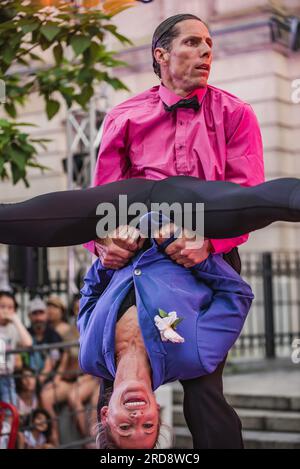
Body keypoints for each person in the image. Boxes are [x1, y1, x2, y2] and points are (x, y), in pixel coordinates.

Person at [87, 13, 264, 448]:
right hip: (136, 255)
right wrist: (105, 244)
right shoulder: (123, 116)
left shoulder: (237, 114)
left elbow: (248, 200)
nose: (206, 51)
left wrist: (210, 245)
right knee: (110, 387)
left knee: (204, 390)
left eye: (209, 44)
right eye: (192, 43)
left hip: (208, 257)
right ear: (160, 54)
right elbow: (103, 199)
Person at [0, 291, 33, 406]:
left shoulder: (13, 327)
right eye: (2, 306)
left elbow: (28, 342)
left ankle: (7, 425)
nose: (6, 310)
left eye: (10, 307)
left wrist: (16, 320)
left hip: (7, 377)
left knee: (10, 408)